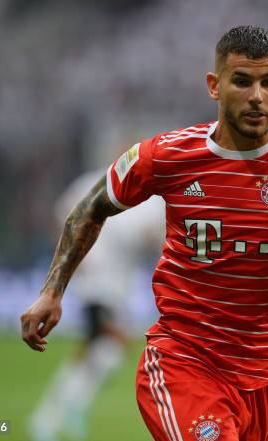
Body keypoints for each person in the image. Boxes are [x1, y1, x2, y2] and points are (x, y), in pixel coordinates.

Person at [21, 26, 268, 441]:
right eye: (242, 81)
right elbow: (91, 207)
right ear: (215, 86)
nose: (257, 95)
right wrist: (53, 291)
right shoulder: (168, 156)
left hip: (265, 381)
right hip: (185, 365)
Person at [28, 170, 165, 441]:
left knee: (103, 351)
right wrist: (71, 258)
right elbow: (64, 217)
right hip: (96, 282)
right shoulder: (96, 180)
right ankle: (49, 417)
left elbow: (157, 239)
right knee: (111, 343)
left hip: (118, 288)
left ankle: (68, 408)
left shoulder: (153, 200)